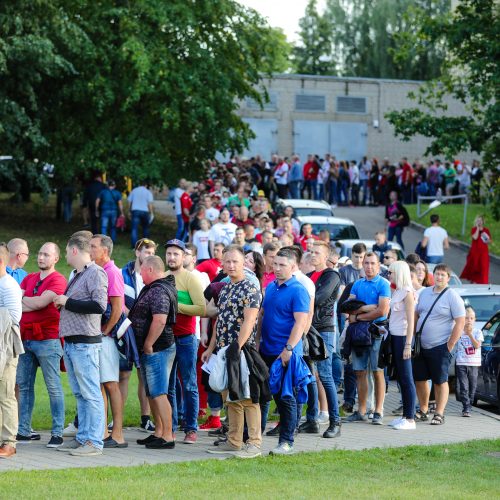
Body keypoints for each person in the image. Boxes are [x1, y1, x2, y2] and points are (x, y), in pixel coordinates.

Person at [203, 245, 263, 458]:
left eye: (235, 261)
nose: (230, 265)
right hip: (223, 349)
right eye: (227, 261)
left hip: (241, 350)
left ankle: (254, 443)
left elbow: (249, 320)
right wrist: (211, 347)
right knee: (230, 397)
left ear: (243, 263)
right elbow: (219, 320)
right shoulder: (225, 288)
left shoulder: (250, 288)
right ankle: (234, 441)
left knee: (247, 397)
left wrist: (237, 347)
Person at [53, 234, 108, 456]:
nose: (65, 255)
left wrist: (68, 302)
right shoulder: (77, 274)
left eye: (66, 251)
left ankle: (94, 442)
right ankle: (84, 437)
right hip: (73, 342)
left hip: (85, 343)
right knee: (80, 394)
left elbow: (99, 305)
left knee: (91, 393)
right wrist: (64, 304)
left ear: (74, 250)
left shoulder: (96, 272)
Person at [257, 247, 310, 455]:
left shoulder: (298, 289)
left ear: (293, 267)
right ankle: (254, 437)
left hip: (286, 353)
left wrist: (288, 349)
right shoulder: (271, 287)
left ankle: (286, 441)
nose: (277, 268)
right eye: (275, 264)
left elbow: (300, 322)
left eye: (282, 265)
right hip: (266, 350)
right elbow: (262, 315)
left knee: (285, 397)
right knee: (263, 396)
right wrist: (257, 340)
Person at [17, 243, 67, 448]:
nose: (41, 257)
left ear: (56, 258)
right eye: (39, 253)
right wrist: (33, 301)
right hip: (25, 338)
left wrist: (27, 301)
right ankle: (23, 431)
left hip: (48, 339)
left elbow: (40, 303)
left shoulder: (58, 279)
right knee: (24, 386)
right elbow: (17, 300)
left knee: (53, 387)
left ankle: (57, 433)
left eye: (46, 254)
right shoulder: (29, 278)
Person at [129, 256, 177, 449]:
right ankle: (158, 431)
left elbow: (160, 320)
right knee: (152, 392)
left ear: (150, 270)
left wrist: (148, 344)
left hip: (158, 349)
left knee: (159, 393)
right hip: (151, 349)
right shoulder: (154, 288)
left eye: (142, 271)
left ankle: (168, 436)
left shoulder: (159, 290)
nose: (140, 274)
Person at [413, 264, 466, 425]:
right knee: (420, 379)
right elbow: (416, 314)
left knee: (440, 380)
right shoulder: (425, 293)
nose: (439, 277)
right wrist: (414, 337)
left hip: (441, 346)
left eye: (443, 275)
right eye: (437, 274)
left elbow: (460, 321)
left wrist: (450, 345)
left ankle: (439, 413)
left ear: (448, 278)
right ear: (432, 276)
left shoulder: (452, 295)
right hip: (421, 346)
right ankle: (423, 410)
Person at [299, 241, 342, 438]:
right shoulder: (309, 276)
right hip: (308, 329)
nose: (312, 255)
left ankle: (335, 422)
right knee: (309, 376)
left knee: (325, 375)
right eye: (310, 251)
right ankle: (311, 420)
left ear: (326, 257)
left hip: (323, 330)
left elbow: (321, 297)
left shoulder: (331, 275)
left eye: (317, 252)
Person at [165, 239, 206, 444]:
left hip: (186, 339)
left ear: (183, 257)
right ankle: (170, 427)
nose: (172, 257)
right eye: (169, 254)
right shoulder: (163, 278)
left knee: (189, 383)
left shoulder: (191, 279)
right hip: (166, 339)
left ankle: (191, 428)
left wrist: (176, 306)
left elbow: (201, 308)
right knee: (169, 386)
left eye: (176, 254)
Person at [89, 235, 127, 448]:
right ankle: (103, 431)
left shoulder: (112, 272)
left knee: (111, 384)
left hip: (108, 338)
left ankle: (118, 434)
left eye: (93, 247)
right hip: (100, 336)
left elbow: (118, 306)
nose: (90, 250)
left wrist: (106, 330)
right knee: (102, 384)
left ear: (105, 251)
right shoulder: (99, 270)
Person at [345, 252, 391, 425]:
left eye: (372, 263)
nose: (369, 266)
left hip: (377, 333)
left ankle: (378, 411)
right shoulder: (357, 284)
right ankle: (361, 410)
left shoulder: (383, 284)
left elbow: (382, 311)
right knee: (359, 372)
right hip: (358, 335)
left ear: (378, 266)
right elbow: (349, 308)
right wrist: (367, 308)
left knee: (378, 372)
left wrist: (359, 316)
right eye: (366, 263)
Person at [121, 238, 156, 432]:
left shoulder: (155, 275)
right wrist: (129, 314)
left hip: (146, 331)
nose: (149, 256)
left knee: (144, 376)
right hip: (126, 330)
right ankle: (117, 419)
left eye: (152, 253)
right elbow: (116, 298)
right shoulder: (122, 273)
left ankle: (145, 418)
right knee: (123, 375)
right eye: (146, 252)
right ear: (137, 252)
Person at [387, 261, 417, 430]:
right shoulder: (398, 290)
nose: (389, 275)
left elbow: (411, 321)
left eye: (391, 272)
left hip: (403, 337)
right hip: (394, 336)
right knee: (400, 378)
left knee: (407, 378)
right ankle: (405, 415)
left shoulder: (407, 293)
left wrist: (408, 344)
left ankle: (411, 418)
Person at [0, 243, 23, 459]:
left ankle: (9, 442)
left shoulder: (8, 286)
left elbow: (14, 319)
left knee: (6, 394)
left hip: (6, 346)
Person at [455, 306, 483, 417]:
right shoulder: (459, 331)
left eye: (471, 318)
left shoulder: (478, 332)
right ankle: (466, 407)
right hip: (461, 362)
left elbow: (477, 345)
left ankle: (469, 405)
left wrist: (469, 334)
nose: (469, 320)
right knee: (463, 386)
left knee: (473, 387)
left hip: (474, 364)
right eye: (467, 318)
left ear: (475, 320)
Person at [460, 215, 491, 284]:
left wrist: (486, 238)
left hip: (483, 253)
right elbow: (475, 237)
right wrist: (477, 228)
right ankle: (473, 282)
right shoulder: (474, 229)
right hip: (475, 252)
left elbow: (489, 241)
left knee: (483, 268)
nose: (479, 222)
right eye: (478, 220)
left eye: (480, 220)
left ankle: (483, 283)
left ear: (483, 222)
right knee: (474, 267)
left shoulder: (486, 230)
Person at [128, 180, 154, 248]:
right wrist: (151, 213)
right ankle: (146, 245)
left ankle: (134, 246)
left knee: (134, 229)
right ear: (146, 185)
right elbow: (150, 204)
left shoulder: (134, 190)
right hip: (145, 211)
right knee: (145, 228)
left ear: (139, 184)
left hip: (135, 211)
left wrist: (129, 211)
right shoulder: (148, 192)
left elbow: (130, 202)